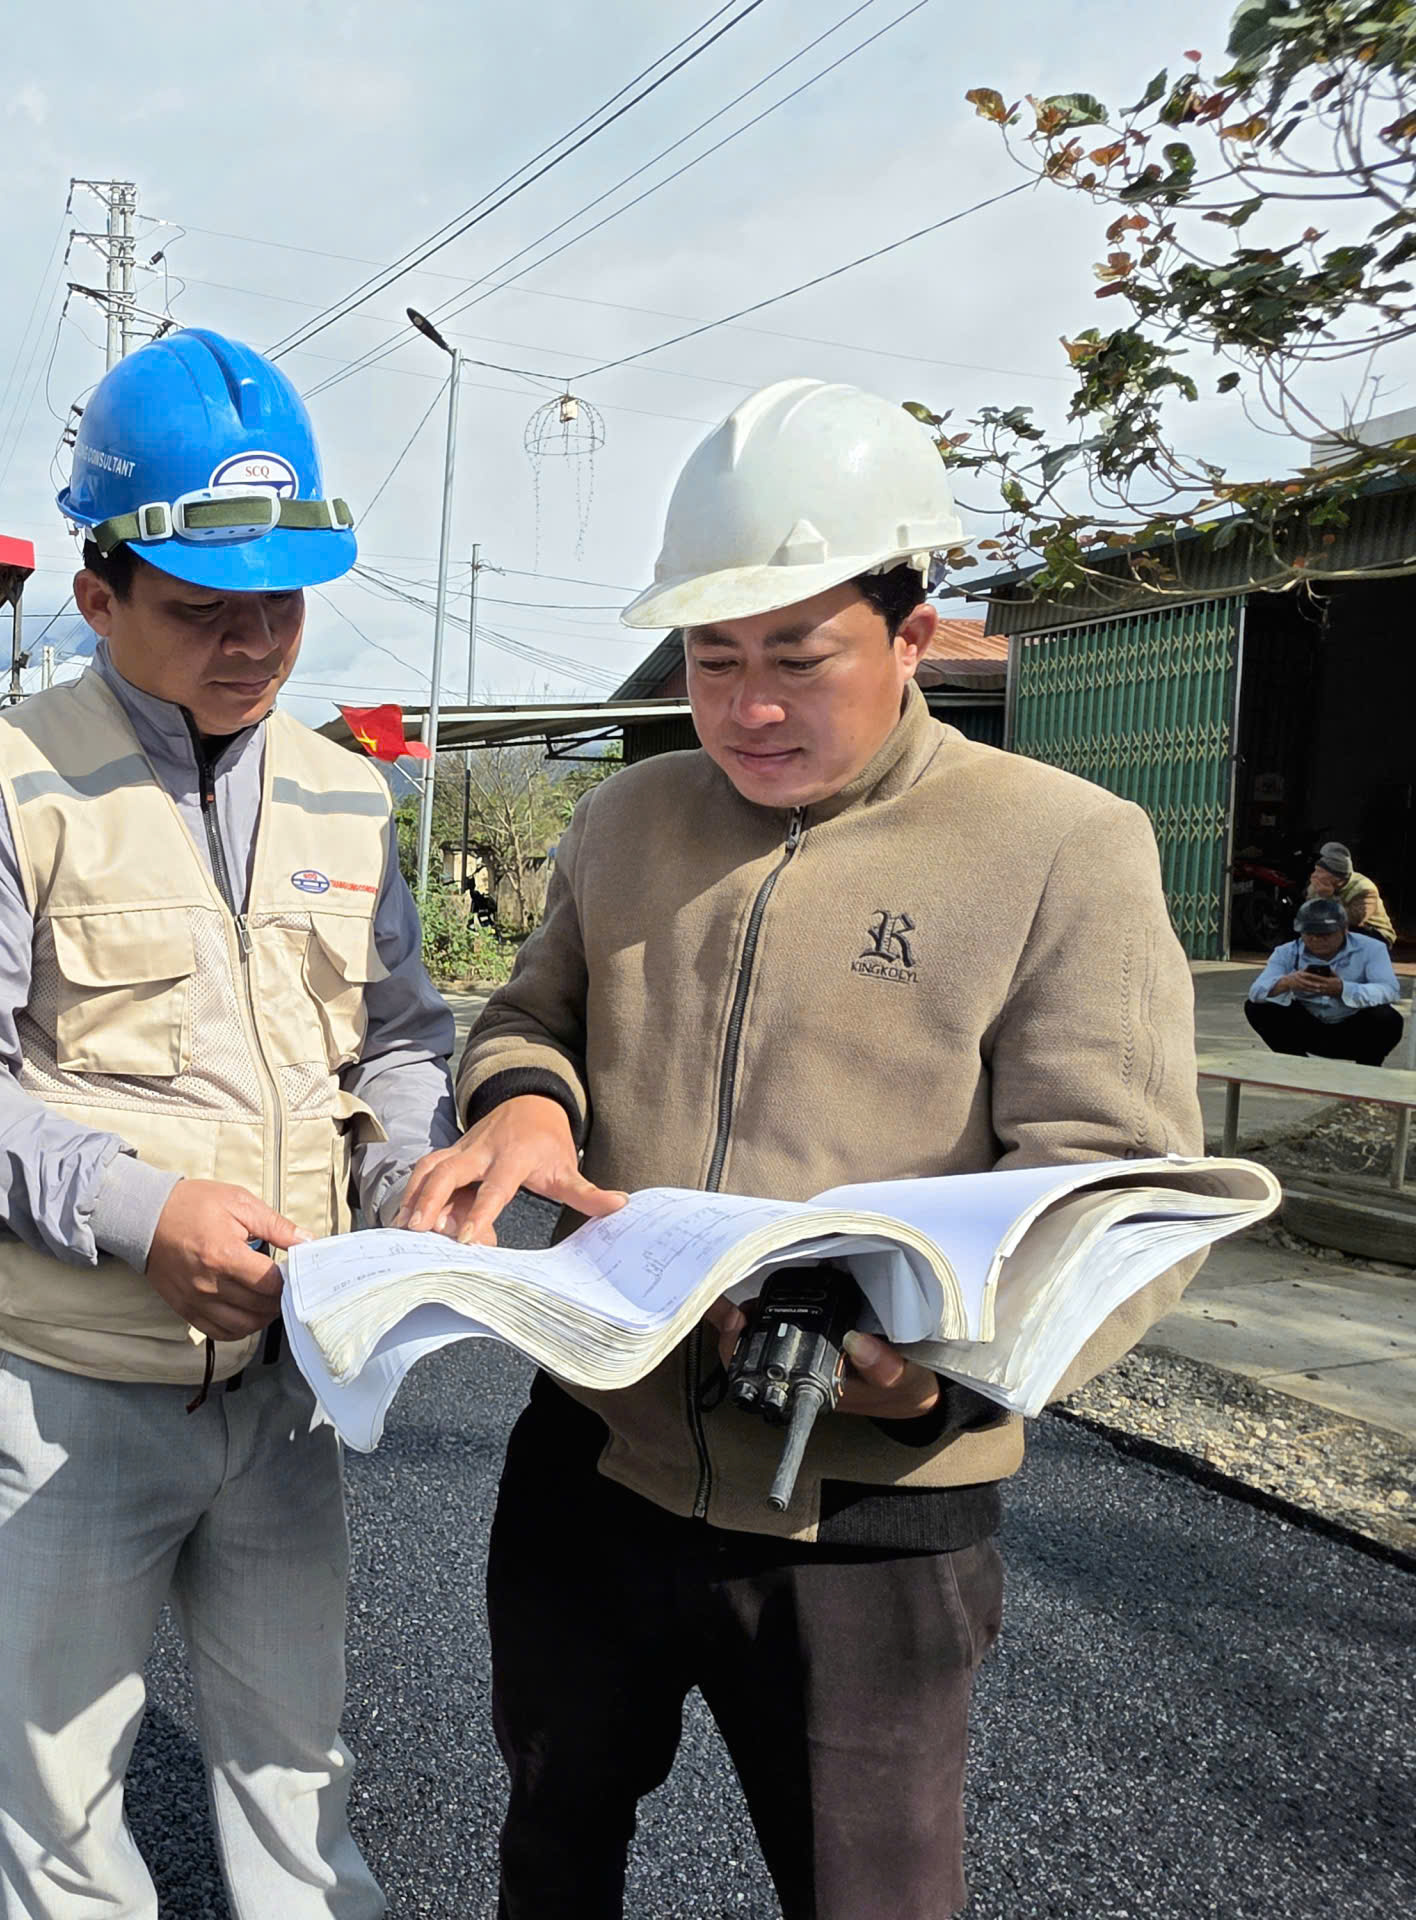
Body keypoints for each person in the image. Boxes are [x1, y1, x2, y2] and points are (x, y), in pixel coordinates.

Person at [395, 377, 1205, 1920]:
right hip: (595, 1456)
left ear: (912, 633)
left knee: (868, 1894)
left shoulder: (1056, 848)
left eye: (798, 656)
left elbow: (1118, 1190)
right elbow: (533, 1014)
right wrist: (520, 1100)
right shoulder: (629, 820)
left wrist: (936, 1360)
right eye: (714, 660)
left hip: (871, 1512)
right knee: (553, 1842)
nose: (749, 706)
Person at [0, 328, 452, 1919]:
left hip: (291, 1395)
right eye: (203, 610)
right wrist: (142, 1214)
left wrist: (404, 1168)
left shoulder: (348, 792)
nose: (255, 643)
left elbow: (396, 1037)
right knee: (58, 1814)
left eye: (286, 602)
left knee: (298, 1781)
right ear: (99, 589)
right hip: (65, 1394)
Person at [1245, 895, 1406, 1066]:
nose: (1316, 940)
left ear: (1344, 930)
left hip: (1353, 1028)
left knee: (1388, 1019)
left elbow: (1390, 990)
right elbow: (1256, 992)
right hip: (1309, 1026)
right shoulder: (1286, 952)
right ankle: (1298, 1064)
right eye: (1309, 934)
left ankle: (1367, 1067)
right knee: (1257, 1008)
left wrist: (1344, 989)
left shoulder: (1371, 948)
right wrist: (1287, 982)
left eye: (1325, 935)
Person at [1307, 840, 1397, 947]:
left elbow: (1353, 919)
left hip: (1372, 932)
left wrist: (1328, 898)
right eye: (1316, 870)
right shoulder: (1316, 886)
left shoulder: (1364, 888)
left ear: (1336, 877)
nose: (1315, 876)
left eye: (1320, 872)